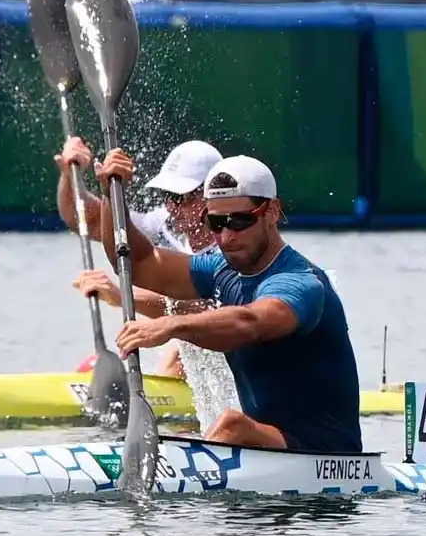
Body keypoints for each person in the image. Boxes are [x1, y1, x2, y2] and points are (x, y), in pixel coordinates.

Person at [89, 149, 362, 453]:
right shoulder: (220, 270)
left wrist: (172, 325)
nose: (226, 236)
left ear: (272, 212)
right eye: (216, 223)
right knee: (232, 427)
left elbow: (250, 322)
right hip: (270, 449)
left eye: (240, 221)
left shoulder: (300, 282)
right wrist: (111, 196)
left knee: (233, 425)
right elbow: (138, 262)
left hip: (328, 454)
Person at [56, 137, 221, 378]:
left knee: (178, 351)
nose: (173, 207)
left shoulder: (234, 245)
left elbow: (204, 312)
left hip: (228, 352)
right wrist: (73, 177)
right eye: (168, 195)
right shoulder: (164, 224)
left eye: (182, 198)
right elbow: (87, 220)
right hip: (192, 348)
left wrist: (120, 295)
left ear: (212, 195)